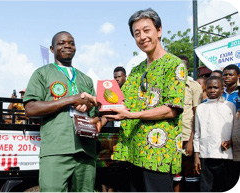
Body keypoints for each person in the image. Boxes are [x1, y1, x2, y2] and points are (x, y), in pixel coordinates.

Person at [101, 8, 187, 192]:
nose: (142, 37)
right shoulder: (137, 70)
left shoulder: (174, 64)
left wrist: (132, 115)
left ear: (159, 30)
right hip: (135, 149)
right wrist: (94, 99)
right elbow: (120, 100)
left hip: (158, 152)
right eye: (136, 33)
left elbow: (172, 108)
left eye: (146, 30)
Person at [23, 31, 99, 192]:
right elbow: (30, 109)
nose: (67, 46)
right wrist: (72, 99)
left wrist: (91, 110)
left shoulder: (86, 79)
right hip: (56, 151)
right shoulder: (42, 73)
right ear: (52, 49)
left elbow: (95, 117)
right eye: (61, 43)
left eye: (71, 43)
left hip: (86, 151)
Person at [193, 76, 236, 192]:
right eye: (209, 88)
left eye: (215, 88)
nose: (212, 90)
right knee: (206, 187)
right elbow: (197, 133)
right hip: (206, 155)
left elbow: (234, 129)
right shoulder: (201, 108)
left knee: (224, 186)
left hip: (225, 155)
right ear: (205, 90)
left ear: (222, 90)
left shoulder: (230, 106)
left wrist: (230, 142)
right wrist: (196, 156)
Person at [173, 55, 202, 192]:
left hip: (186, 138)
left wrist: (191, 141)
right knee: (175, 176)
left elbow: (197, 115)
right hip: (172, 137)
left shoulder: (194, 87)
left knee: (190, 175)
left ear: (188, 68)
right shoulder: (170, 85)